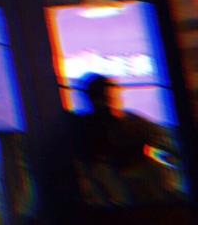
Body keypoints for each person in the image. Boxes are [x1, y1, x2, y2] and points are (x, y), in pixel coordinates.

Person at [74, 73, 182, 205]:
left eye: (111, 94)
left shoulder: (135, 122)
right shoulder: (85, 127)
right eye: (103, 96)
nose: (110, 100)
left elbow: (163, 143)